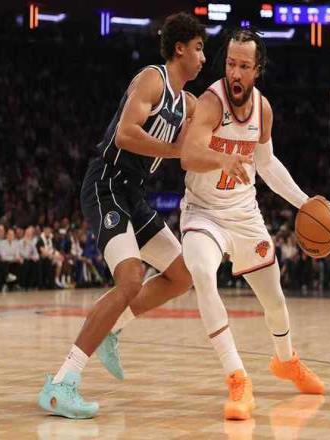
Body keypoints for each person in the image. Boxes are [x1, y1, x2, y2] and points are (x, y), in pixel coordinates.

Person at [37, 13, 234, 419]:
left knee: (182, 274)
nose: (203, 58)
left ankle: (114, 326)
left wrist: (229, 151)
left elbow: (197, 147)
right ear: (179, 48)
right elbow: (126, 134)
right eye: (199, 48)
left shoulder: (189, 103)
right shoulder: (152, 79)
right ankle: (61, 383)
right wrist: (177, 150)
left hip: (134, 194)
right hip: (106, 183)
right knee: (129, 279)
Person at [177, 28, 324, 420]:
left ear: (258, 69)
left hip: (244, 215)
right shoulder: (211, 102)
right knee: (202, 273)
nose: (235, 73)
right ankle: (237, 378)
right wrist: (221, 159)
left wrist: (304, 203)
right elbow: (189, 155)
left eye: (244, 66)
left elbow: (267, 164)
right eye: (230, 64)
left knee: (274, 300)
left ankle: (286, 360)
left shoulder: (263, 110)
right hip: (204, 212)